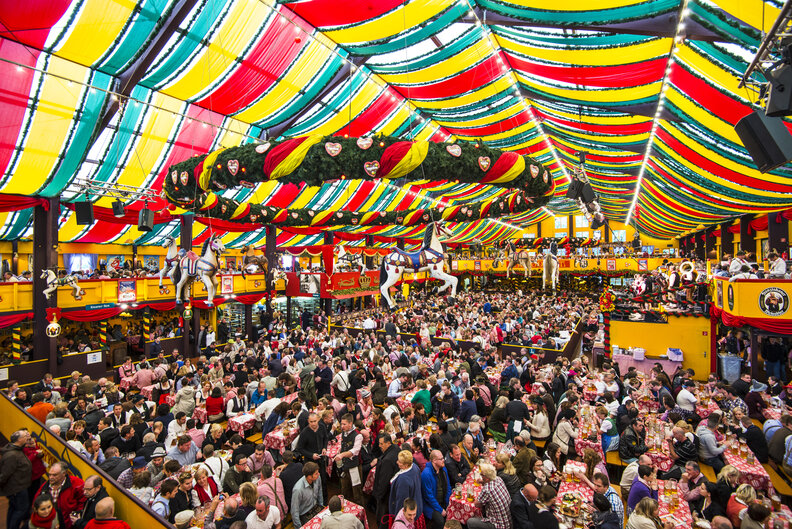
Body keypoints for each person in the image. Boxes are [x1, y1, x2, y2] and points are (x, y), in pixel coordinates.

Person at [34, 462, 86, 529]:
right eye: (50, 475)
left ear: (64, 473)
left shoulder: (77, 484)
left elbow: (83, 502)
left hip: (69, 524)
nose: (50, 477)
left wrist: (75, 516)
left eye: (54, 475)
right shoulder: (44, 488)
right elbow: (35, 505)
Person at [1, 429, 33, 529]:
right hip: (16, 489)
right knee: (20, 510)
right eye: (25, 437)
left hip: (17, 487)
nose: (28, 438)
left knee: (13, 508)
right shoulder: (12, 455)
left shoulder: (16, 450)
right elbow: (4, 474)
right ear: (19, 440)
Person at [466, 463, 512, 529]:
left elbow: (477, 504)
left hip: (498, 525)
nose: (481, 476)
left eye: (482, 475)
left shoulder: (487, 489)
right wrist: (483, 482)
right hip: (508, 522)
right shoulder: (499, 479)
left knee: (470, 521)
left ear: (487, 478)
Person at [334, 414, 364, 506]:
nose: (341, 426)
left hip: (354, 467)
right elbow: (343, 445)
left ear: (350, 424)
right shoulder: (344, 432)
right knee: (344, 489)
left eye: (344, 424)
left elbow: (355, 451)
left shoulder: (358, 435)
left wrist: (342, 455)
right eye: (341, 424)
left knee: (357, 491)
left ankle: (360, 511)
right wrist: (339, 451)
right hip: (344, 466)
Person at [372, 433, 399, 525]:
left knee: (383, 517)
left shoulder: (387, 461)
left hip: (385, 495)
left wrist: (378, 496)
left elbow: (383, 482)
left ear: (388, 443)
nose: (379, 446)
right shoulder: (395, 448)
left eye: (381, 444)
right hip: (393, 492)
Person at [421, 449, 452, 529]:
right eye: (441, 459)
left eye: (443, 458)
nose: (443, 460)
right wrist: (440, 510)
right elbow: (429, 497)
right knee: (440, 521)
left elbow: (448, 486)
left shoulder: (443, 469)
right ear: (434, 460)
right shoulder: (426, 474)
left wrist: (448, 502)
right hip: (430, 505)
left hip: (443, 501)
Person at [388, 451, 423, 520]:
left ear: (406, 465)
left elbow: (401, 502)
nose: (397, 462)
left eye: (400, 462)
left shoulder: (403, 480)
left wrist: (398, 517)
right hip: (417, 507)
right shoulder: (414, 466)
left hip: (408, 516)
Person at [291, 462, 323, 529]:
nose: (318, 474)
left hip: (315, 507)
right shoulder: (298, 489)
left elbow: (320, 493)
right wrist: (299, 527)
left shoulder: (318, 478)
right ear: (309, 476)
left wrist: (321, 507)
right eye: (316, 473)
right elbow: (294, 511)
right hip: (304, 514)